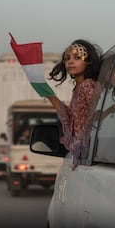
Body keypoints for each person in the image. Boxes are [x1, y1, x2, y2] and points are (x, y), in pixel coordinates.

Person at [45, 39, 102, 169]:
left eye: (77, 57)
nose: (70, 61)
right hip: (86, 155)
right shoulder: (79, 88)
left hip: (89, 153)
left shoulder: (88, 86)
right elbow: (72, 118)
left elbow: (95, 118)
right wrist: (50, 96)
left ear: (89, 61)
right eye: (67, 58)